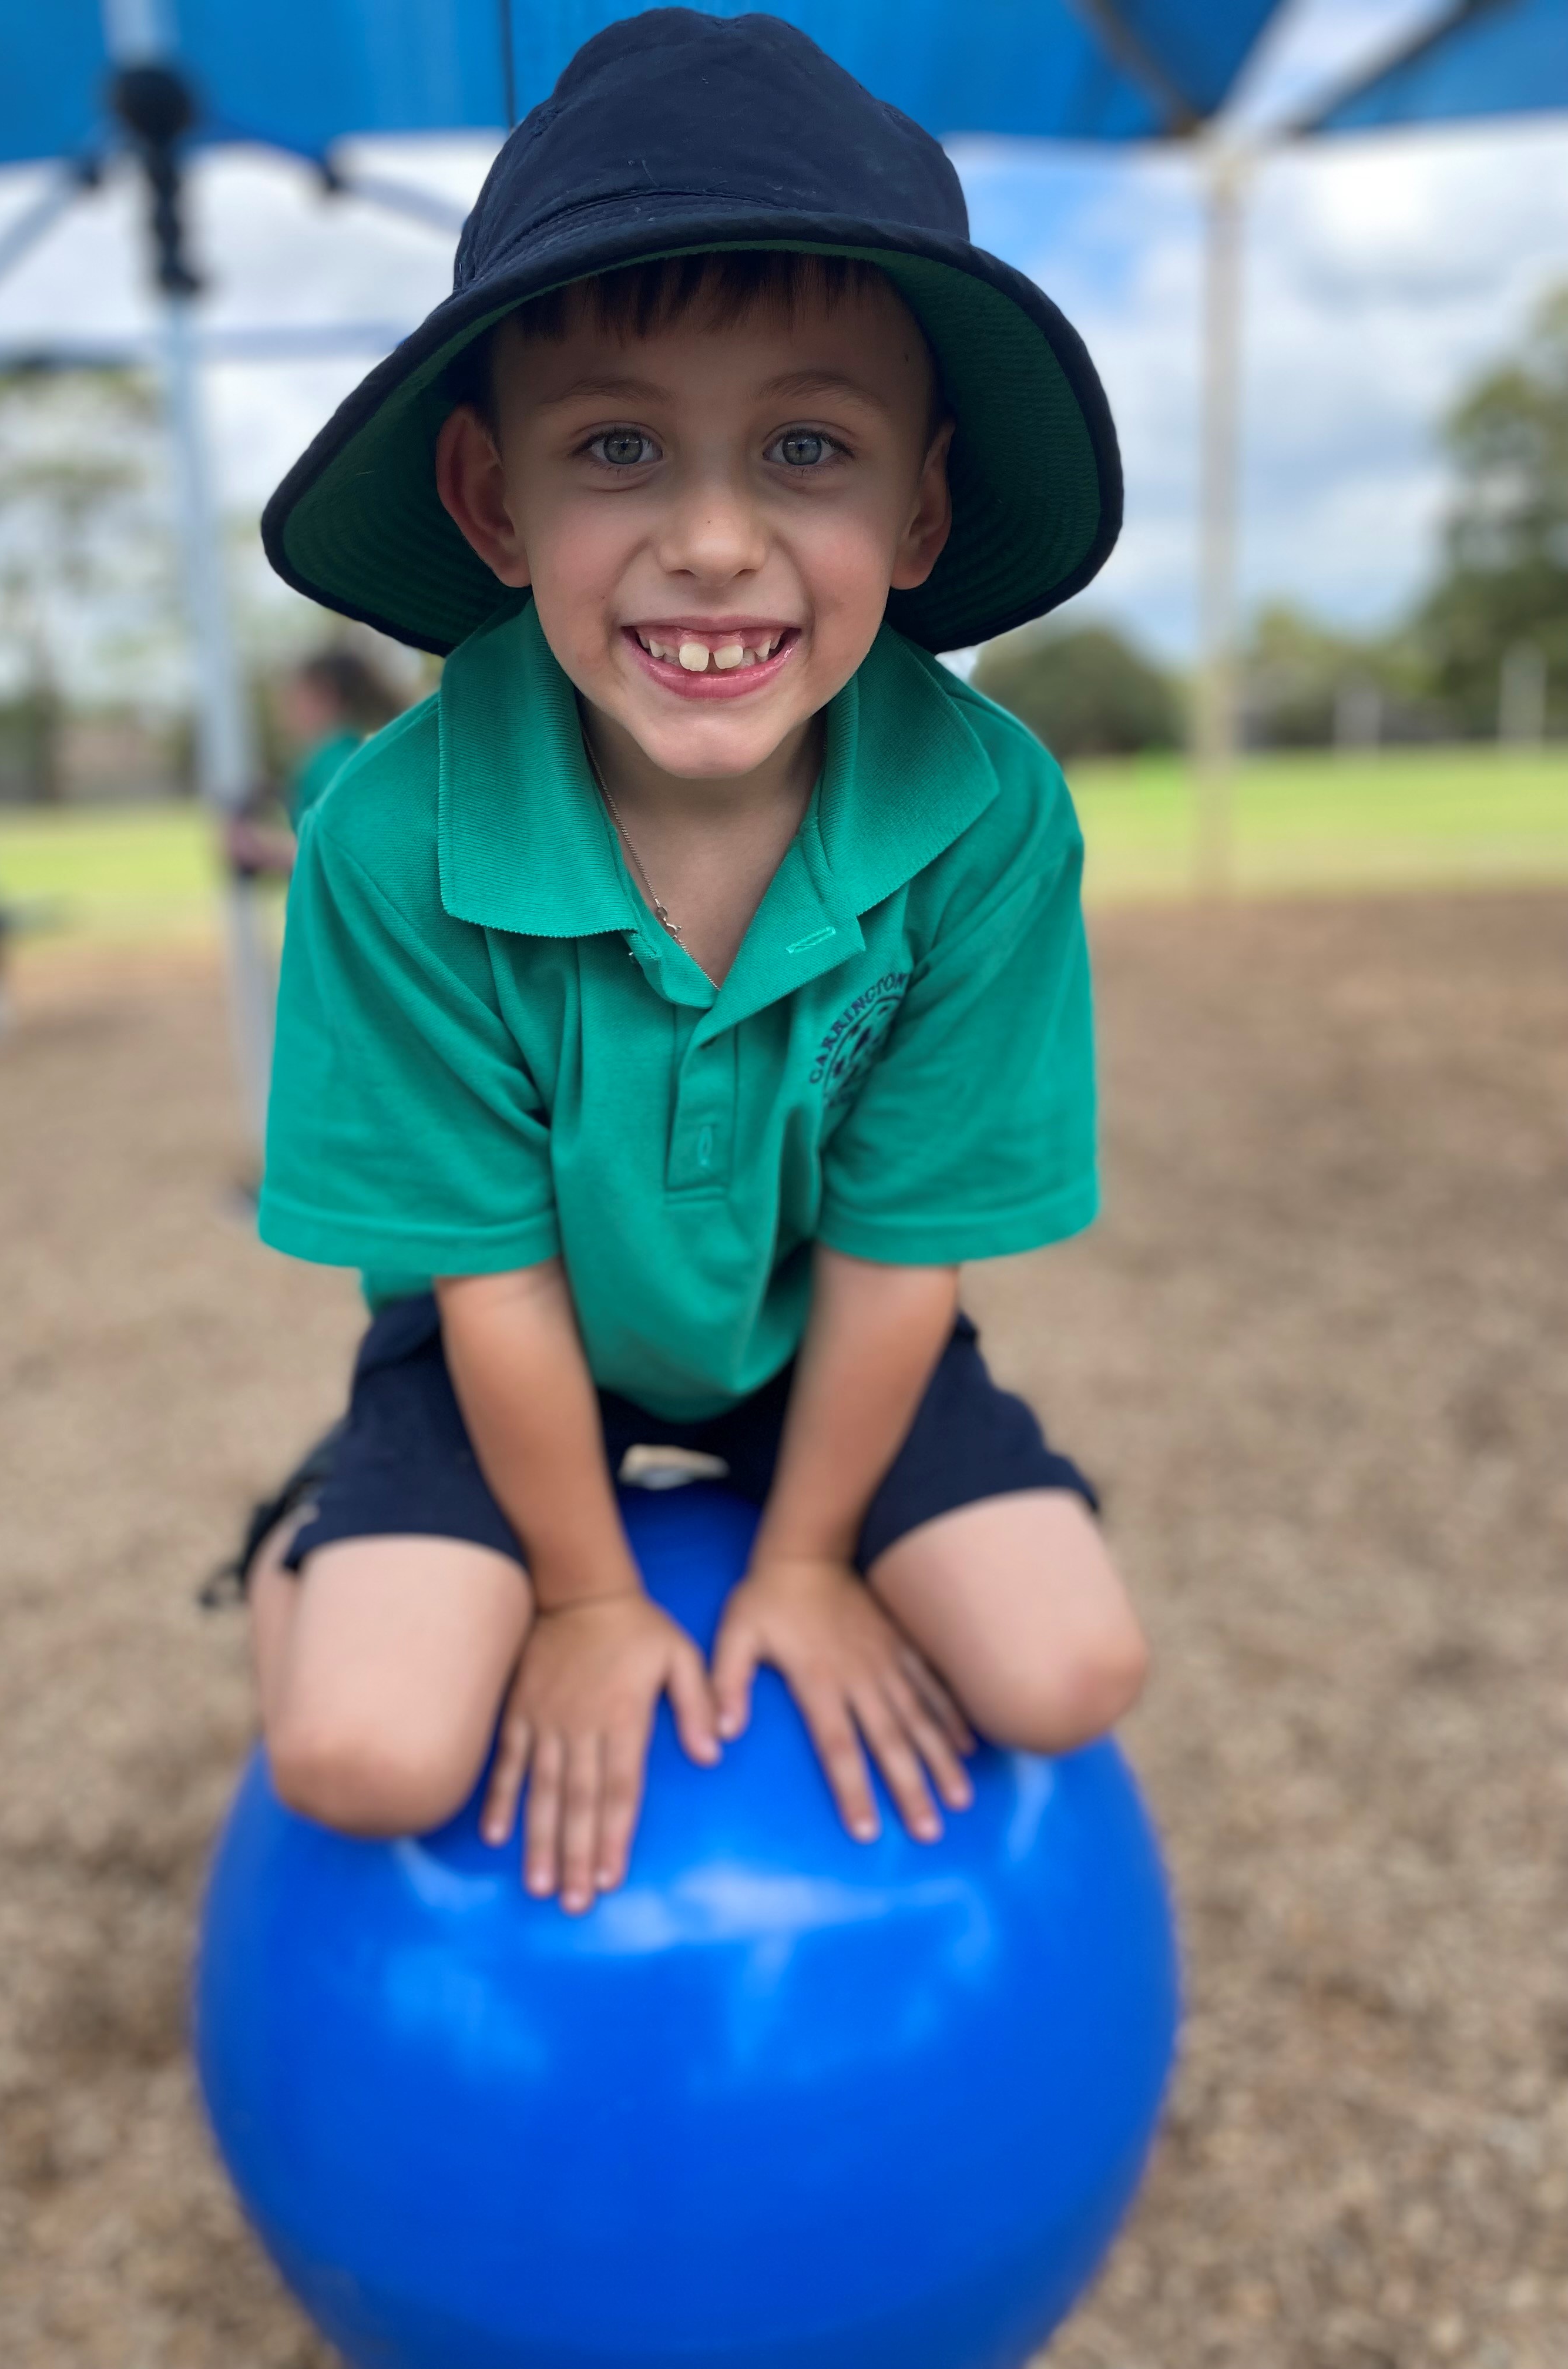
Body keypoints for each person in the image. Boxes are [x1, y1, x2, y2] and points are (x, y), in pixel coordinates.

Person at [239, 10, 1148, 1917]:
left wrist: (807, 1558)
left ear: (920, 508)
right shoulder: (390, 834)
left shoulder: (988, 814)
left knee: (1070, 1667)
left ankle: (803, 1515)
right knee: (361, 1754)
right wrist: (583, 1597)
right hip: (506, 1341)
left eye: (806, 447)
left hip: (816, 1329)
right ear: (493, 501)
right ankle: (301, 1539)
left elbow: (902, 1244)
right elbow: (488, 1272)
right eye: (617, 446)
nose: (714, 539)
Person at [223, 648, 403, 880]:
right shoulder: (344, 754)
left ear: (325, 694)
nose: (284, 711)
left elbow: (348, 853)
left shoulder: (335, 762)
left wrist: (264, 852)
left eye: (294, 698)